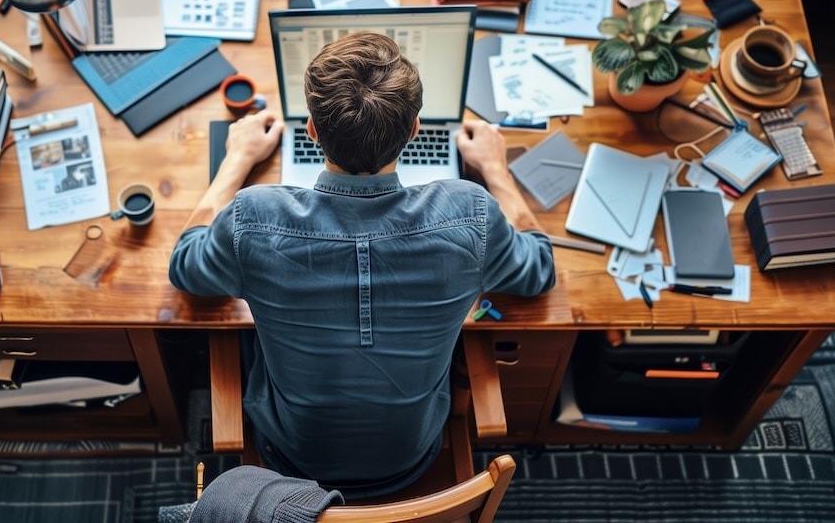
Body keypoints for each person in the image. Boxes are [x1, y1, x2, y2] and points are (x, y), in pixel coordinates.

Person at [169, 32, 555, 498]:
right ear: (414, 130)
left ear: (312, 131)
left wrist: (237, 159)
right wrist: (495, 169)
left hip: (292, 459)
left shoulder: (254, 218)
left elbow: (185, 265)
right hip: (412, 458)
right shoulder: (470, 214)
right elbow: (539, 268)